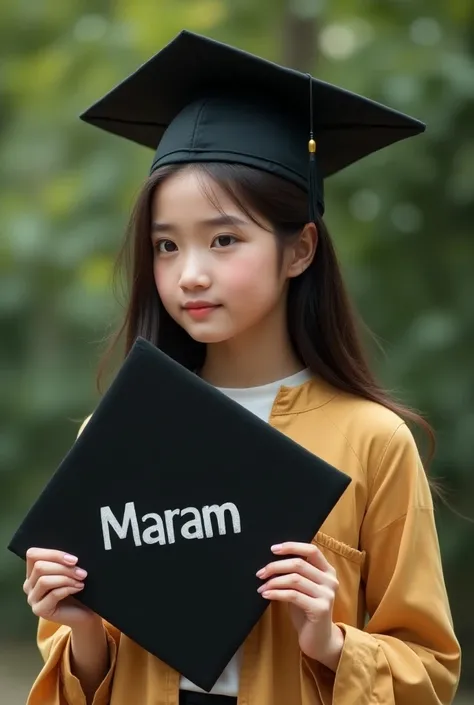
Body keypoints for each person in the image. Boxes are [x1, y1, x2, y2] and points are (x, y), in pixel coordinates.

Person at [22, 30, 460, 705]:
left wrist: (331, 641)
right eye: (166, 245)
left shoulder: (372, 441)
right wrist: (80, 632)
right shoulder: (118, 436)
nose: (189, 273)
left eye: (224, 239)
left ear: (300, 249)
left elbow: (431, 670)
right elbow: (80, 677)